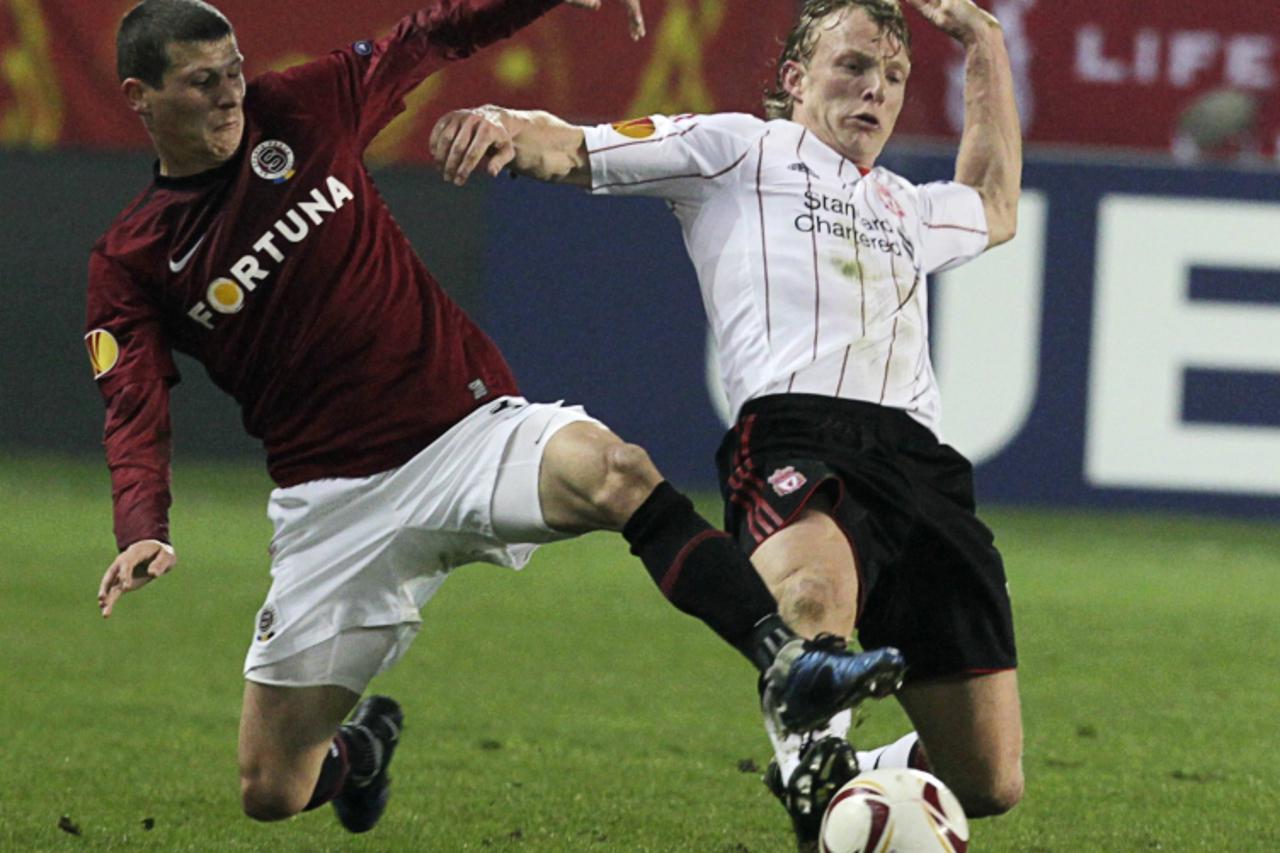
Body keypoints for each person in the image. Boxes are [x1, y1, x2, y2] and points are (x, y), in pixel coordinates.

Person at [86, 0, 909, 837]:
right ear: (140, 96)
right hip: (333, 504)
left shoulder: (299, 108)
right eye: (202, 84)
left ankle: (787, 663)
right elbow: (133, 405)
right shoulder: (135, 257)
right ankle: (362, 751)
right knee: (271, 786)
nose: (231, 96)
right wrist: (141, 524)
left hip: (467, 433)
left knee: (615, 470)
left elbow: (430, 33)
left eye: (233, 72)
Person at [428, 0, 1024, 846]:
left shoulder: (910, 207)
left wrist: (984, 42)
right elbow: (577, 144)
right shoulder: (739, 149)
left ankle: (862, 779)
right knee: (813, 598)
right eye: (852, 66)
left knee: (988, 779)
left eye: (892, 75)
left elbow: (995, 203)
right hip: (795, 431)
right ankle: (817, 777)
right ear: (794, 79)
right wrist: (498, 125)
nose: (875, 91)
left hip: (921, 467)